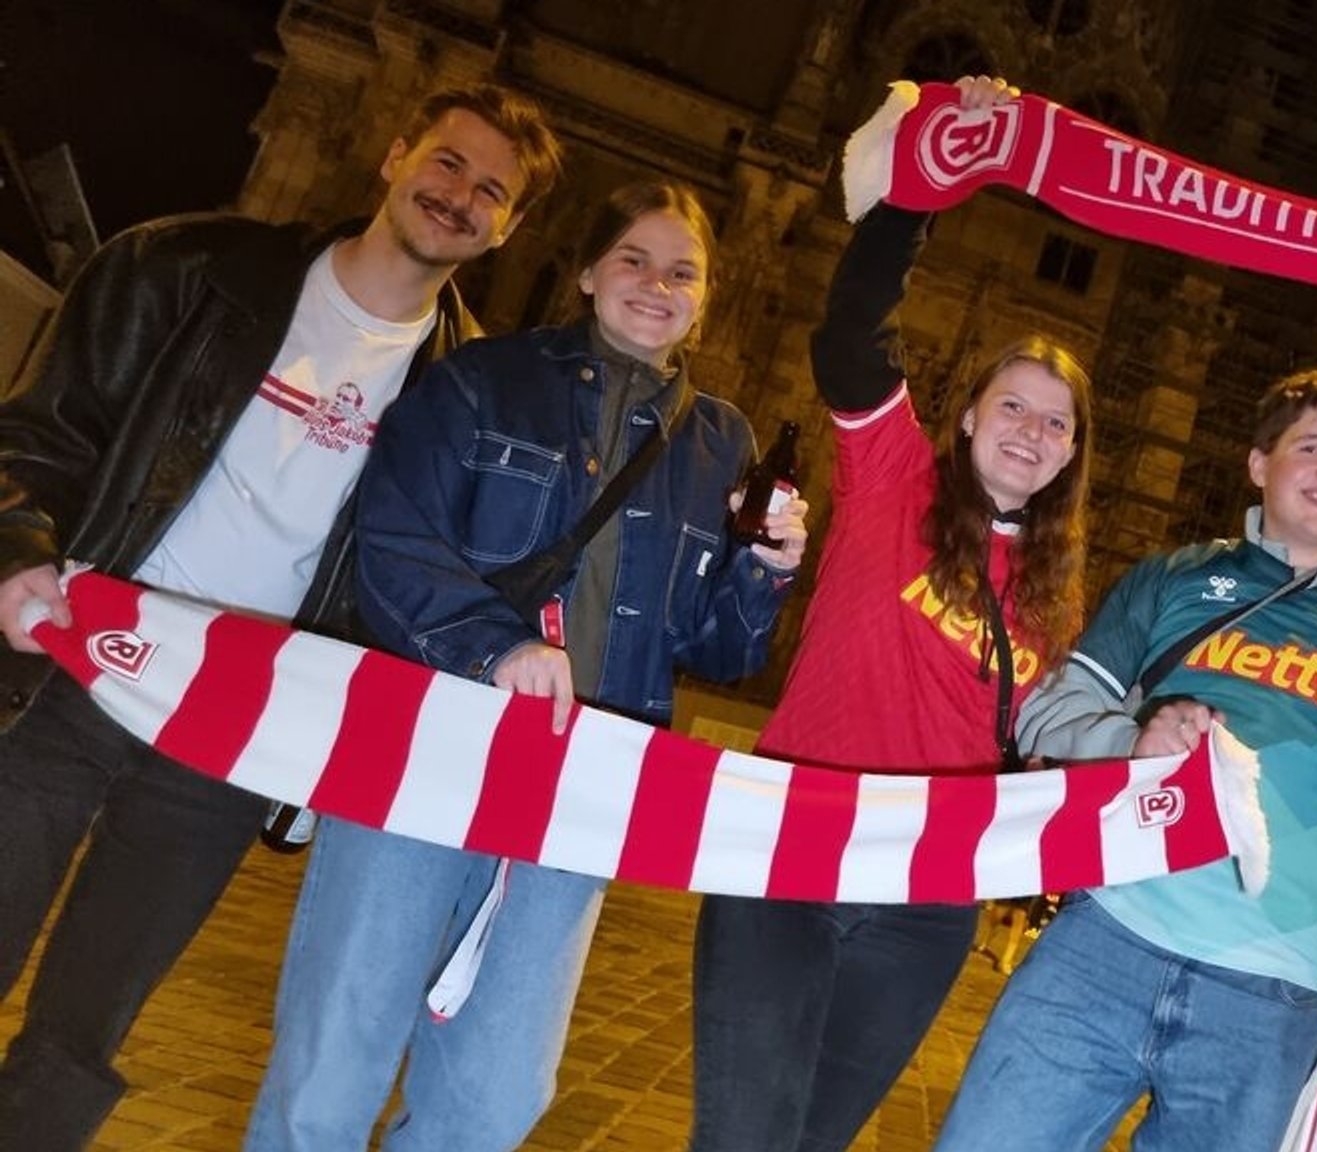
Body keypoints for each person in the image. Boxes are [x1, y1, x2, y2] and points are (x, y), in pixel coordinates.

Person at [0, 83, 560, 1151]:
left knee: (84, 1026)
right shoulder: (180, 268)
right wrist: (19, 554)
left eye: (492, 191)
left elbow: (431, 584)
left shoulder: (464, 397)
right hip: (70, 665)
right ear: (396, 151)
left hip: (228, 732)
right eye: (447, 162)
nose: (459, 196)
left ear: (510, 227)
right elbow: (38, 434)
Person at [240, 178, 807, 1150]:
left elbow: (716, 647)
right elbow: (393, 542)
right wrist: (494, 645)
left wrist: (765, 572)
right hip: (431, 751)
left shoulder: (724, 443)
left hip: (580, 791)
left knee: (496, 1095)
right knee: (335, 1060)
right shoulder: (481, 378)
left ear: (706, 297)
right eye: (632, 258)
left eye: (682, 272)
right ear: (587, 272)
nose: (654, 284)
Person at [686, 76, 1094, 1152]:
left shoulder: (1055, 597)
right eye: (1012, 404)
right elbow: (850, 334)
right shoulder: (894, 478)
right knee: (740, 1137)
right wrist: (923, 186)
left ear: (1069, 457)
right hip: (792, 841)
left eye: (1055, 424)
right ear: (964, 420)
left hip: (925, 896)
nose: (1030, 430)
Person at [934, 370, 1317, 1152]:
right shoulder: (1173, 577)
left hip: (1274, 990)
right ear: (1259, 464)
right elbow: (1046, 715)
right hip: (1106, 940)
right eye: (1312, 447)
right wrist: (1138, 739)